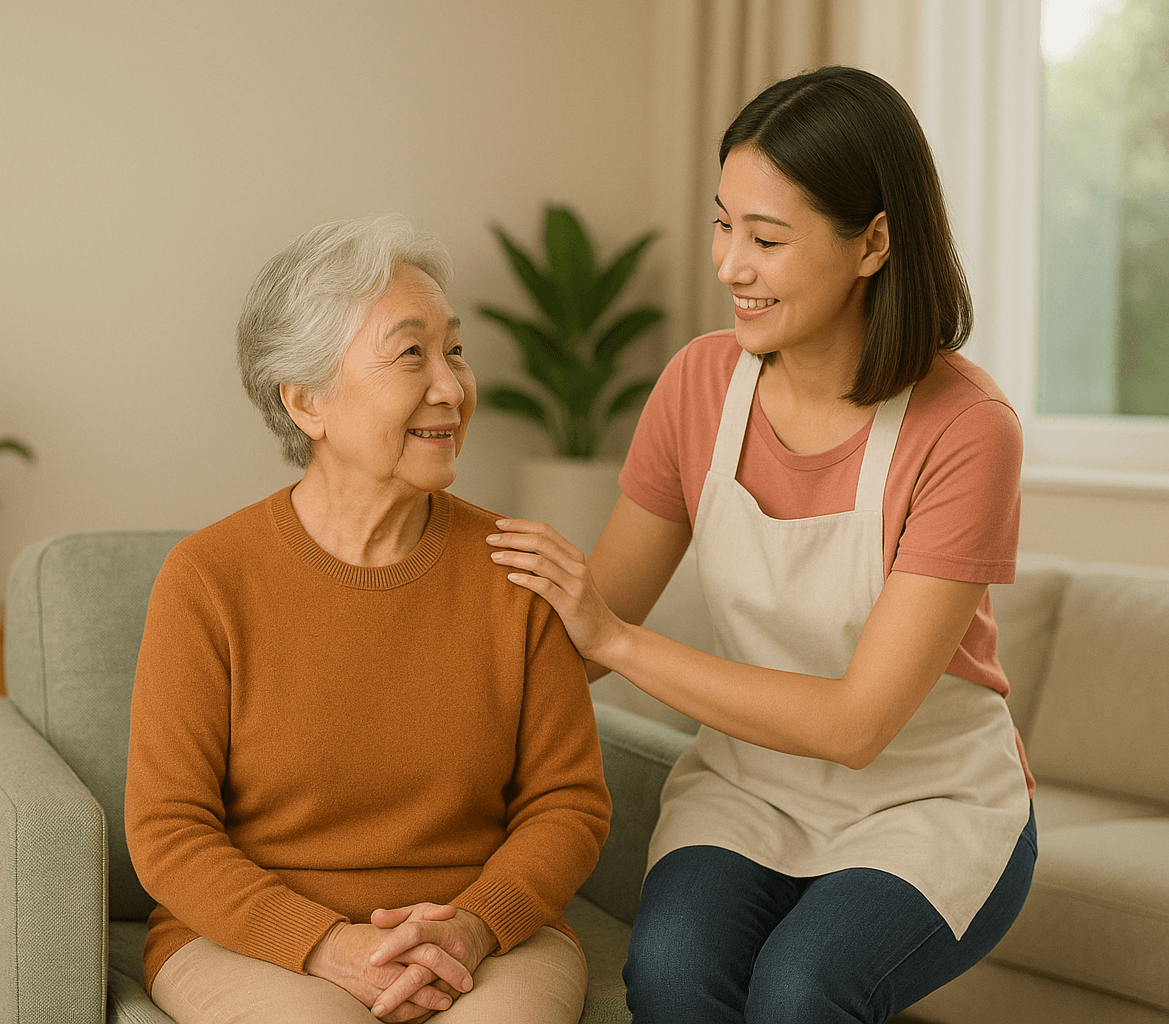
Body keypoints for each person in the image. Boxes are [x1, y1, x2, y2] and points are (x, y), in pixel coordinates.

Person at [486, 66, 1036, 1023]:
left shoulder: (966, 428)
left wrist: (616, 639)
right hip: (749, 792)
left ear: (872, 242)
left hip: (928, 805)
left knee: (802, 989)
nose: (728, 264)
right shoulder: (698, 386)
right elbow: (572, 641)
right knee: (670, 977)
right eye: (723, 222)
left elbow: (856, 726)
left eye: (767, 238)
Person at [125, 214, 611, 1024]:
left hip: (484, 939)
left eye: (454, 349)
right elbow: (168, 830)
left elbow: (569, 803)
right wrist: (324, 944)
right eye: (410, 352)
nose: (452, 387)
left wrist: (475, 926)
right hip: (253, 942)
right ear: (306, 400)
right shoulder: (208, 579)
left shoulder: (514, 570)